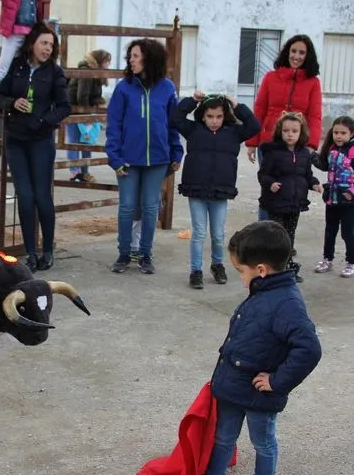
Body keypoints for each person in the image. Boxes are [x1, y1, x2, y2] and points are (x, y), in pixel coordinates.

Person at [183, 220, 322, 475]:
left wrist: (277, 381)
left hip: (261, 393)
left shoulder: (287, 303)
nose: (240, 278)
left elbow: (309, 349)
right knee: (223, 437)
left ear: (260, 270)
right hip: (233, 386)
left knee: (263, 441)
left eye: (240, 271)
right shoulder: (263, 290)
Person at [0, 21, 71, 272]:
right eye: (44, 43)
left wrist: (42, 121)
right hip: (15, 139)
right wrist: (11, 102)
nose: (48, 48)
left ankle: (47, 249)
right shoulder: (14, 66)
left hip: (41, 141)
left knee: (41, 197)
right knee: (24, 197)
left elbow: (64, 107)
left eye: (51, 44)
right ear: (32, 43)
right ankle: (30, 252)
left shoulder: (54, 72)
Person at [106, 38, 184, 275]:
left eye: (136, 56)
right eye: (130, 56)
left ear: (150, 58)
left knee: (151, 208)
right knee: (127, 207)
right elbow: (113, 126)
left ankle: (145, 254)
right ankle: (124, 253)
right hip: (128, 160)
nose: (131, 60)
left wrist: (176, 152)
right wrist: (115, 158)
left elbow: (174, 124)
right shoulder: (123, 88)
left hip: (158, 160)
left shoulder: (167, 88)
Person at [172, 91, 261, 289]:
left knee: (219, 234)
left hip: (221, 191)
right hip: (196, 189)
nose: (214, 121)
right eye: (210, 116)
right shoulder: (193, 130)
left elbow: (255, 125)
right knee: (199, 233)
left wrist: (237, 105)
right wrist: (192, 101)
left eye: (219, 116)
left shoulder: (234, 132)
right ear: (202, 115)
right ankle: (196, 271)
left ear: (225, 115)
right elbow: (176, 117)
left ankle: (217, 265)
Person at [245, 35, 323, 221]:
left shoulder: (313, 82)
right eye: (293, 51)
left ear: (308, 56)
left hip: (295, 145)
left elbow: (314, 115)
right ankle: (264, 233)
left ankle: (283, 236)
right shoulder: (271, 78)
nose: (296, 56)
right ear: (287, 53)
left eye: (301, 52)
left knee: (289, 188)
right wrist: (252, 142)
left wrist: (311, 144)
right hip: (269, 142)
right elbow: (259, 109)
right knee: (269, 187)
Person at [257, 112, 322, 283]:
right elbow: (263, 175)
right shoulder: (272, 152)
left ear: (301, 133)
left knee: (289, 236)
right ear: (280, 131)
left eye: (294, 131)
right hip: (276, 203)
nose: (290, 134)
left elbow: (307, 175)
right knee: (277, 237)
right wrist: (270, 183)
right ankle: (272, 268)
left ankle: (287, 266)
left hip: (295, 203)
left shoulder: (304, 154)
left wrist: (314, 183)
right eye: (286, 130)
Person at [312, 116, 354, 278]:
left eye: (343, 133)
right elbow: (324, 166)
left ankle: (351, 263)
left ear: (352, 133)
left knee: (347, 232)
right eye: (336, 132)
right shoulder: (332, 149)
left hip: (350, 202)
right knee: (330, 230)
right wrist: (312, 156)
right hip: (332, 199)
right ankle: (327, 259)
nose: (339, 136)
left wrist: (352, 193)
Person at [66, 49, 112, 183]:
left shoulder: (95, 73)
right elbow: (82, 96)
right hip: (76, 112)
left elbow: (92, 95)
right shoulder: (87, 72)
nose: (108, 65)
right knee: (75, 143)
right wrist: (86, 116)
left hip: (83, 112)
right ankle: (75, 173)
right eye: (107, 61)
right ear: (99, 61)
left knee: (86, 142)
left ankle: (84, 173)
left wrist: (99, 101)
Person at [0, 0, 39, 95]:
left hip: (31, 33)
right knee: (2, 70)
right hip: (14, 31)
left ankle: (28, 99)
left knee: (31, 69)